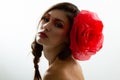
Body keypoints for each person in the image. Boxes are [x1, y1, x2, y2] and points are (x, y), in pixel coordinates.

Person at [31, 2, 104, 80]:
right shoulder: (72, 64)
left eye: (58, 25)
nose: (46, 26)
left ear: (70, 36)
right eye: (46, 19)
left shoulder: (54, 74)